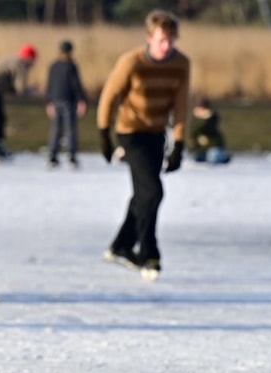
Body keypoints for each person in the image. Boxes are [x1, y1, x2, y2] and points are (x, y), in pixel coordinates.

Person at [97, 10, 190, 282]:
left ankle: (120, 246)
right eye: (161, 40)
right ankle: (150, 253)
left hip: (156, 134)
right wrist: (104, 134)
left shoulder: (182, 63)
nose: (166, 46)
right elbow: (109, 96)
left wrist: (180, 143)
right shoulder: (132, 62)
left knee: (144, 194)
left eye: (171, 40)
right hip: (131, 133)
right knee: (153, 191)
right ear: (150, 38)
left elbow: (182, 105)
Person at [44, 40, 88, 169]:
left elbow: (49, 85)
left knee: (56, 129)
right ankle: (71, 156)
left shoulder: (53, 66)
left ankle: (52, 156)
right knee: (70, 130)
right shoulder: (71, 66)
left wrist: (49, 101)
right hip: (69, 101)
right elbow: (76, 85)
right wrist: (81, 99)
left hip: (56, 100)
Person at [188, 96, 231, 164]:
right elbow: (193, 133)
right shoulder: (194, 119)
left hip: (214, 147)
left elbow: (207, 128)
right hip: (202, 149)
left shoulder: (212, 118)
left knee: (212, 158)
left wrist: (205, 118)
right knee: (198, 158)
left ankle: (223, 156)